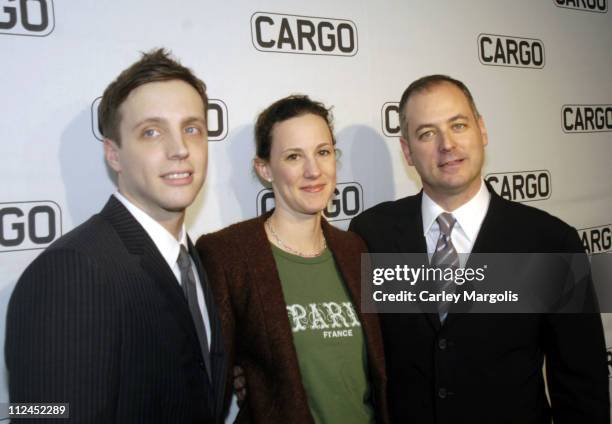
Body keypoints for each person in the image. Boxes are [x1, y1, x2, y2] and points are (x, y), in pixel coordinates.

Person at [349, 75, 609, 424]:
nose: (447, 144)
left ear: (482, 130)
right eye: (427, 133)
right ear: (408, 151)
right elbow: (350, 349)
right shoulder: (371, 235)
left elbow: (582, 384)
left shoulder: (549, 241)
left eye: (458, 125)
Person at [5, 48, 227, 423]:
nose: (179, 149)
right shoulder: (69, 273)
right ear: (114, 154)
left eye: (192, 129)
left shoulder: (191, 259)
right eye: (152, 132)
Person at [196, 95, 390, 423]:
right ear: (264, 169)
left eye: (323, 152)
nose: (313, 171)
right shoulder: (228, 254)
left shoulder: (355, 248)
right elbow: (208, 378)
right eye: (293, 156)